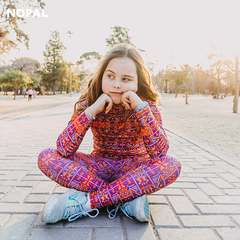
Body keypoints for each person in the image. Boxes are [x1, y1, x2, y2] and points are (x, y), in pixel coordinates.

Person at [38, 43, 181, 224]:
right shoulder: (89, 103)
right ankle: (125, 199)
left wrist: (141, 108)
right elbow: (63, 148)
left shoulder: (147, 107)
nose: (117, 85)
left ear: (138, 82)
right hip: (97, 168)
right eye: (110, 76)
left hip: (133, 170)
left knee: (171, 164)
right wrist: (91, 111)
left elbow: (160, 153)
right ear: (102, 76)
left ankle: (87, 203)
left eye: (126, 79)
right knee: (47, 157)